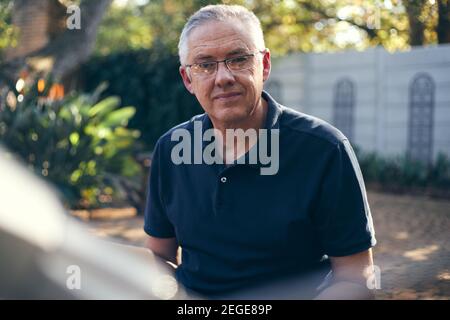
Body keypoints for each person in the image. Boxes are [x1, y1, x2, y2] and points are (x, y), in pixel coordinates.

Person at [143, 4, 377, 299]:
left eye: (238, 59)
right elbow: (159, 256)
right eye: (205, 64)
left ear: (264, 65)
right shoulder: (170, 149)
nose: (223, 77)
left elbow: (356, 277)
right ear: (188, 79)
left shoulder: (325, 150)